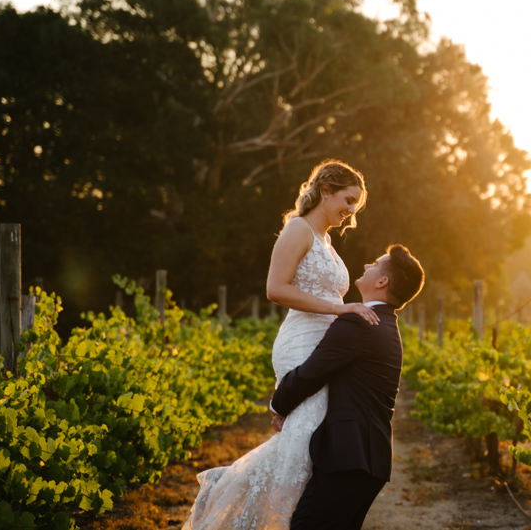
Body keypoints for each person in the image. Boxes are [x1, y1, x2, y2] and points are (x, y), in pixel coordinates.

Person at [182, 159, 378, 530]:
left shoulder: (327, 239)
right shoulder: (298, 230)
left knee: (309, 434)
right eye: (348, 200)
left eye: (356, 205)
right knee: (305, 439)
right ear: (326, 191)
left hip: (323, 346)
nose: (351, 212)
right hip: (300, 341)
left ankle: (287, 516)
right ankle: (252, 508)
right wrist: (340, 308)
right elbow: (276, 289)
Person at [270, 244, 425, 530]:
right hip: (367, 460)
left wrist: (278, 405)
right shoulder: (385, 324)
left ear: (382, 281)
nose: (367, 266)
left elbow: (310, 373)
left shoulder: (360, 323)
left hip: (349, 458)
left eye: (375, 264)